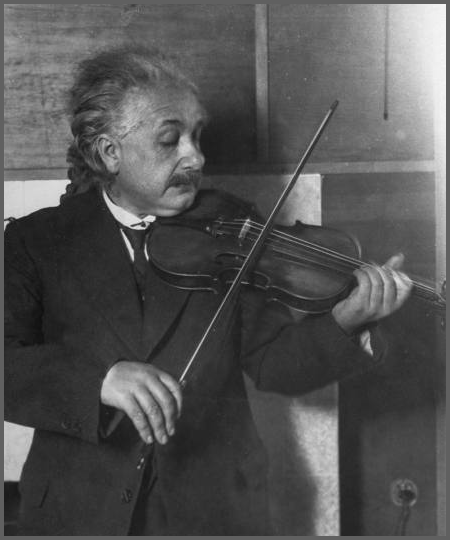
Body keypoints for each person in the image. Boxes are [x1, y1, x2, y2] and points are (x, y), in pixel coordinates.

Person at [4, 45, 412, 536]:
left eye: (196, 136)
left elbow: (274, 363)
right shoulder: (36, 240)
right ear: (111, 153)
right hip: (77, 513)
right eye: (169, 140)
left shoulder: (231, 226)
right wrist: (98, 381)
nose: (195, 156)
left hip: (213, 512)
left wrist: (346, 321)